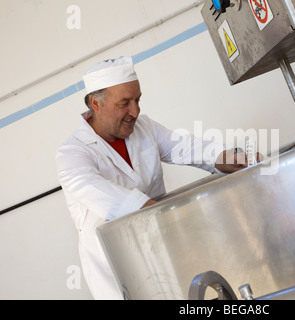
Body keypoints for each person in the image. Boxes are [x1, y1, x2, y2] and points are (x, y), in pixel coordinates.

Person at [55, 56, 251, 299]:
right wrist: (168, 217)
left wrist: (227, 157)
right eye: (124, 103)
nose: (135, 111)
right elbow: (101, 194)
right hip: (116, 270)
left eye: (137, 100)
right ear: (96, 104)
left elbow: (186, 147)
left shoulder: (145, 127)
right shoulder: (73, 153)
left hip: (162, 253)